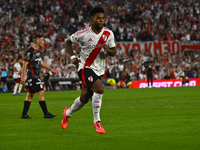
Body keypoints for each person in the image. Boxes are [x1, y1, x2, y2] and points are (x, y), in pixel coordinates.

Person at [61, 7, 116, 134]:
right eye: (98, 18)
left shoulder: (109, 34)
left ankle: (67, 113)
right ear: (92, 20)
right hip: (85, 67)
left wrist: (109, 50)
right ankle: (97, 121)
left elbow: (114, 51)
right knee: (100, 89)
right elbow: (68, 41)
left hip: (99, 70)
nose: (101, 20)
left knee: (84, 98)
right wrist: (73, 57)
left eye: (103, 18)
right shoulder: (83, 34)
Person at [21, 34, 57, 119]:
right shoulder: (30, 51)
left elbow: (40, 62)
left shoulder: (38, 52)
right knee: (41, 92)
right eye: (42, 40)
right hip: (33, 76)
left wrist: (50, 69)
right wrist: (23, 77)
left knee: (30, 95)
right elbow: (25, 64)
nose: (44, 42)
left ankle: (24, 115)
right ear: (37, 41)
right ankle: (46, 113)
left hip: (36, 76)